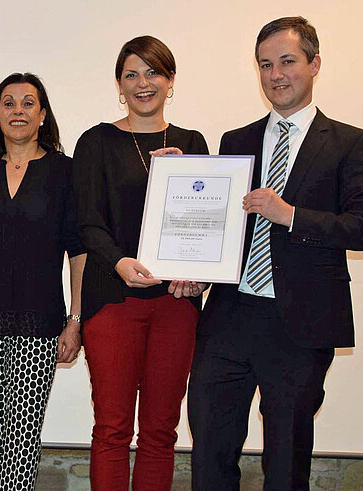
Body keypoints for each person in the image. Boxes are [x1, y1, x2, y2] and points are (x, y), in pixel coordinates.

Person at [188, 17, 363, 490]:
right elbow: (224, 228)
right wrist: (197, 268)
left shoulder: (350, 142)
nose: (276, 75)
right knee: (208, 451)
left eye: (287, 62)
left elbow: (360, 225)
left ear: (315, 63)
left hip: (301, 325)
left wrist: (291, 215)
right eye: (266, 65)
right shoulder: (236, 141)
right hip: (228, 317)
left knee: (286, 465)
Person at [72, 35, 208, 490]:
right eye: (131, 74)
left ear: (170, 81)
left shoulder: (192, 142)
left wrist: (197, 278)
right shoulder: (97, 141)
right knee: (111, 430)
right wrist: (118, 262)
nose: (142, 83)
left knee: (160, 433)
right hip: (113, 301)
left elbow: (205, 226)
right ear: (119, 84)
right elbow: (87, 222)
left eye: (153, 72)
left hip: (175, 303)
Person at [0, 72, 86, 491]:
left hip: (38, 324)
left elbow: (78, 252)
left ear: (43, 114)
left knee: (23, 442)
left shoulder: (65, 172)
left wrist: (75, 319)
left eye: (28, 103)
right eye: (9, 103)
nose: (18, 111)